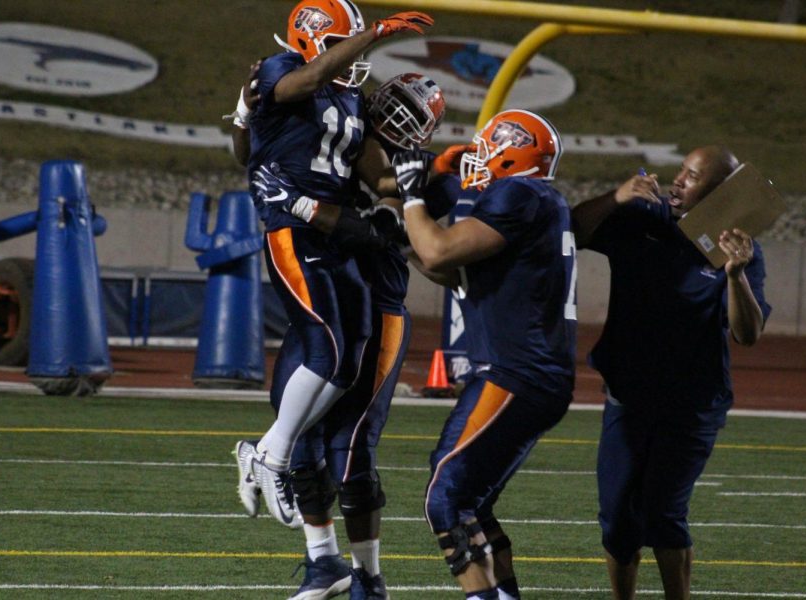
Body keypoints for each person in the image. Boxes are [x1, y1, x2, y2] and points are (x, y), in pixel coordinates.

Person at [231, 2, 434, 598]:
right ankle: (276, 470)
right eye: (342, 44)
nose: (396, 123)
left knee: (349, 429)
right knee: (321, 373)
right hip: (311, 239)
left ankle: (361, 575)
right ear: (319, 42)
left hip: (363, 276)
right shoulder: (285, 71)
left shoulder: (351, 107)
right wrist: (372, 35)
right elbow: (273, 129)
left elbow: (386, 188)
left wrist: (426, 174)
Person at [391, 109, 577, 600]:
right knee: (470, 500)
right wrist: (404, 242)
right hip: (530, 373)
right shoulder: (540, 199)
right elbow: (457, 273)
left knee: (445, 497)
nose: (478, 153)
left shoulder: (517, 194)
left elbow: (440, 252)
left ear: (514, 151)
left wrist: (413, 198)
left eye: (490, 143)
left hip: (515, 372)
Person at [571, 145, 771, 600]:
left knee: (663, 513)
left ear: (721, 193)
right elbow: (573, 229)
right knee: (618, 516)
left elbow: (748, 334)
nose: (678, 180)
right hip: (630, 394)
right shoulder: (645, 219)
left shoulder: (738, 248)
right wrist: (616, 197)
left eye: (693, 175)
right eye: (682, 170)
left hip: (692, 403)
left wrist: (736, 275)